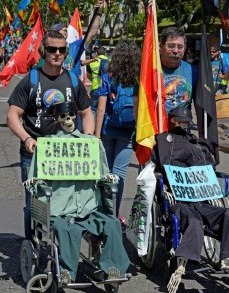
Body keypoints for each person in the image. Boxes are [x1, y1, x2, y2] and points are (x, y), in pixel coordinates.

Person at [25, 101, 130, 283]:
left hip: (88, 207)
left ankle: (112, 267)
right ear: (58, 119)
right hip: (60, 209)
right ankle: (67, 271)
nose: (69, 120)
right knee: (67, 229)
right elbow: (34, 180)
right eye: (64, 116)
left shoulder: (91, 144)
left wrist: (108, 178)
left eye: (72, 115)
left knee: (112, 223)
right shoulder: (47, 146)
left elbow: (102, 174)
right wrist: (35, 182)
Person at [7, 30, 94, 239]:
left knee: (66, 201)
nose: (57, 53)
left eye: (61, 49)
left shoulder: (73, 80)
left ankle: (62, 244)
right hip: (34, 153)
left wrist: (88, 137)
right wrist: (27, 138)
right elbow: (12, 115)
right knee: (34, 203)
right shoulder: (31, 80)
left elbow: (87, 112)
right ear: (43, 51)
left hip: (65, 153)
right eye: (52, 49)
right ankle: (32, 244)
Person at [152, 106, 229, 291]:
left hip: (201, 199)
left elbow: (208, 169)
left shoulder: (198, 144)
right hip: (178, 199)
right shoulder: (163, 142)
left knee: (228, 215)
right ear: (173, 121)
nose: (184, 125)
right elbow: (158, 169)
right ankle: (183, 261)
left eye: (186, 122)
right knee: (193, 220)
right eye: (180, 121)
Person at [95, 40, 141, 218]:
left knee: (105, 172)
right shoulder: (138, 78)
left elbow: (100, 108)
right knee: (119, 174)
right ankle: (114, 214)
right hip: (128, 130)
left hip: (108, 128)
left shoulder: (109, 76)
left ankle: (102, 211)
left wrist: (97, 135)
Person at [159, 26, 198, 113]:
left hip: (183, 124)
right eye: (171, 46)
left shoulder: (193, 72)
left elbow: (201, 105)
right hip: (155, 125)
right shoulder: (149, 71)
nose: (176, 51)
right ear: (161, 46)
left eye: (180, 47)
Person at [87, 46, 109, 113]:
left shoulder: (92, 62)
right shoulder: (109, 62)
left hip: (95, 88)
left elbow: (88, 75)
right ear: (105, 54)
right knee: (105, 109)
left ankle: (92, 123)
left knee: (93, 109)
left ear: (96, 53)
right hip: (106, 88)